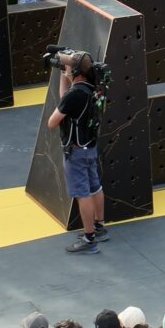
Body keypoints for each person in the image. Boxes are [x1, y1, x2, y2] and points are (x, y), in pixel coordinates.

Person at [50, 50, 108, 253]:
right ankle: (100, 227)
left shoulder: (75, 95)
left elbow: (52, 122)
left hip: (75, 152)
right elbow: (65, 99)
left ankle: (89, 239)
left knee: (82, 194)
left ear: (75, 71)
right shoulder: (93, 87)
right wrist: (63, 73)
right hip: (90, 147)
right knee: (95, 188)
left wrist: (64, 71)